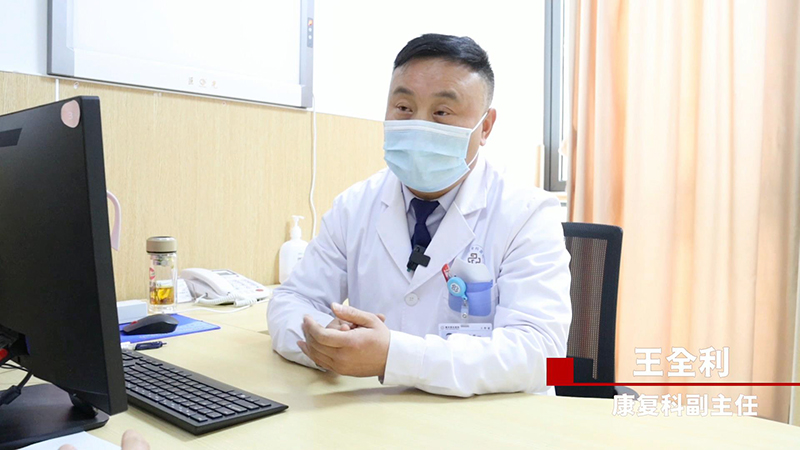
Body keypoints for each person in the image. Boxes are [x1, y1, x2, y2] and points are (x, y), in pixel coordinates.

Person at [268, 33, 571, 397]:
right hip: (373, 414)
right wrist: (327, 340)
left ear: (485, 127)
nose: (419, 125)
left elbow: (542, 353)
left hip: (488, 420)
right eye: (404, 107)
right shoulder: (355, 205)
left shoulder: (528, 214)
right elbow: (292, 301)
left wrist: (394, 357)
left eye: (441, 112)